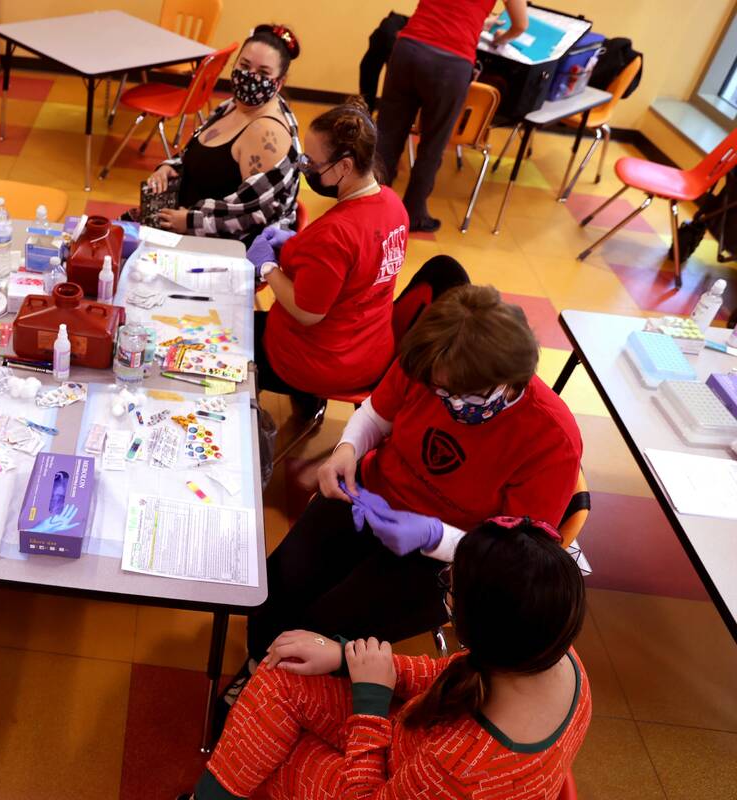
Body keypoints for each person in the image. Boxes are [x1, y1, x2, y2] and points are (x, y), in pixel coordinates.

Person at [230, 284, 582, 704]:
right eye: (436, 390)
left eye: (454, 395)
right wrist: (347, 449)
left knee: (331, 622)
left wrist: (434, 537)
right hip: (370, 496)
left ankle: (281, 699)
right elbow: (378, 413)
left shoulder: (550, 439)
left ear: (508, 383)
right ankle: (258, 669)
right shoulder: (431, 361)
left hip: (450, 560)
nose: (443, 401)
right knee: (281, 580)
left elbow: (513, 558)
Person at [180, 518, 591, 799]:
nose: (447, 591)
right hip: (409, 745)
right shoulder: (553, 653)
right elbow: (450, 673)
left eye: (452, 588)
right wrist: (346, 658)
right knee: (280, 679)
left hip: (396, 770)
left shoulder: (462, 766)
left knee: (269, 752)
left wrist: (370, 705)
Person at [247, 98, 408, 408]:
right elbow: (355, 267)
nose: (306, 168)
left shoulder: (336, 233)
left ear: (344, 166)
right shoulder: (393, 204)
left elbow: (308, 313)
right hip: (370, 349)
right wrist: (296, 245)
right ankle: (308, 405)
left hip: (322, 363)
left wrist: (268, 267)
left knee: (228, 338)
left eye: (312, 164)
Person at [375, 0, 529, 232]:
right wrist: (500, 38)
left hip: (409, 48)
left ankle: (370, 204)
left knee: (387, 135)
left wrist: (477, 20)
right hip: (450, 64)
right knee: (432, 143)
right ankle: (414, 214)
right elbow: (520, 25)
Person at [146, 23, 302, 243]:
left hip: (218, 249)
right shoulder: (232, 105)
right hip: (181, 223)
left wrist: (190, 221)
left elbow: (256, 217)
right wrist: (169, 168)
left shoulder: (265, 133)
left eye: (263, 72)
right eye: (244, 65)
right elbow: (197, 153)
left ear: (279, 81)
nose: (250, 77)